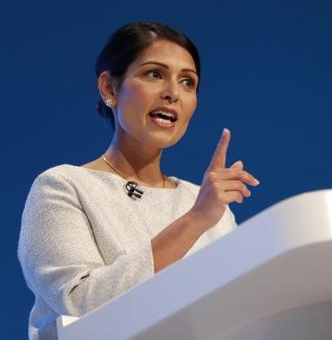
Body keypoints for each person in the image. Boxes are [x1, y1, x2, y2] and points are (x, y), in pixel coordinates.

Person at [17, 21, 259, 340]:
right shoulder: (63, 187)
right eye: (154, 74)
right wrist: (195, 220)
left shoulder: (210, 205)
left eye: (188, 82)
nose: (173, 92)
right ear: (109, 88)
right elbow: (80, 302)